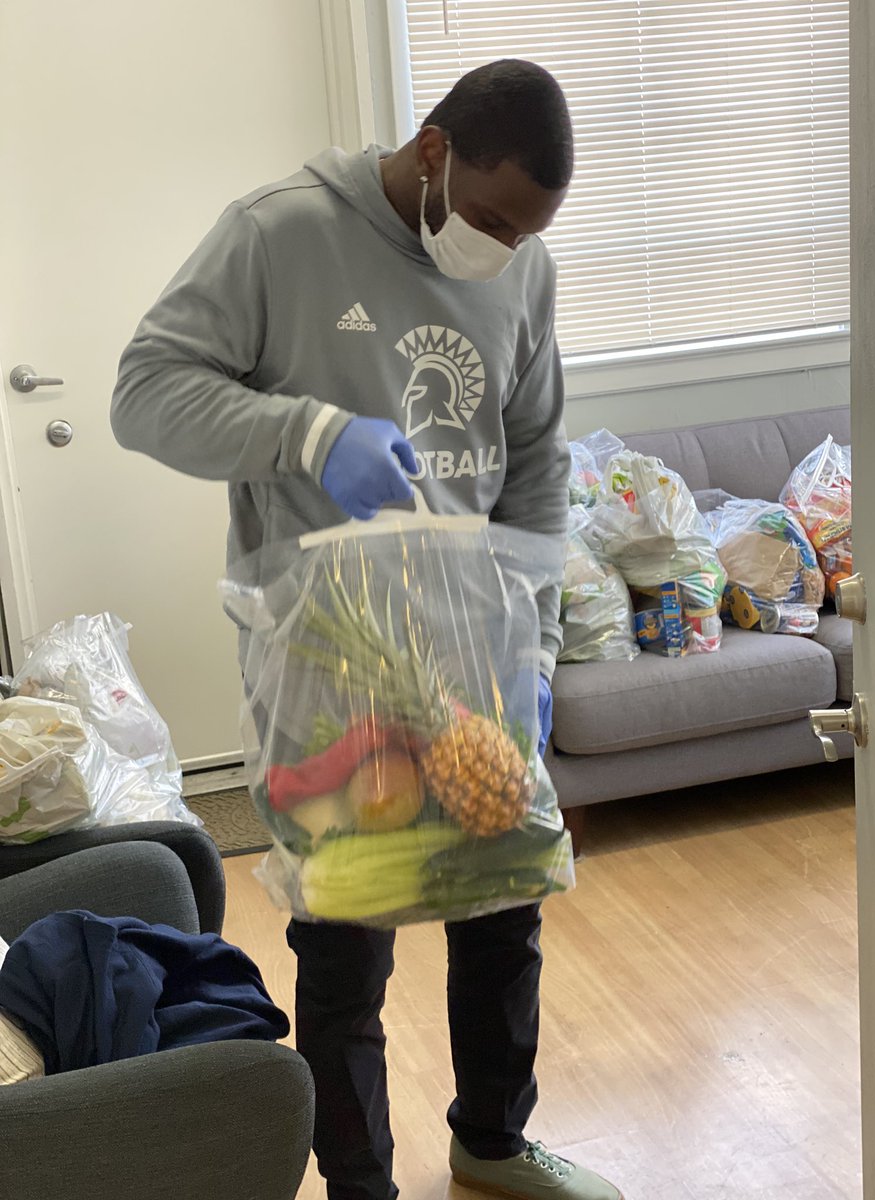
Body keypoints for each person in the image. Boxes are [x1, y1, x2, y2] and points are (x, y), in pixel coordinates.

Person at [111, 57, 623, 1200]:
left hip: (476, 651)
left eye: (526, 232)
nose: (502, 246)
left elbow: (537, 457)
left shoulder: (521, 266)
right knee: (346, 950)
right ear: (432, 149)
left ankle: (490, 1143)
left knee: (504, 917)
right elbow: (143, 391)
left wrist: (533, 647)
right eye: (490, 218)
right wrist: (304, 435)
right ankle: (360, 1185)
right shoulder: (278, 235)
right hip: (325, 665)